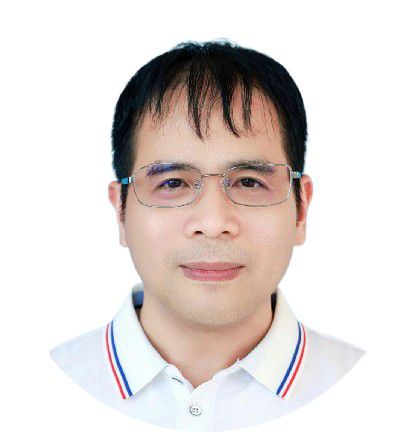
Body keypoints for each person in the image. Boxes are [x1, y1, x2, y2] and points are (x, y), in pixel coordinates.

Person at [49, 39, 365, 431]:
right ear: (121, 211)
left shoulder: (379, 393)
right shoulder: (35, 392)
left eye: (249, 182)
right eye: (172, 183)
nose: (214, 222)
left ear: (301, 209)